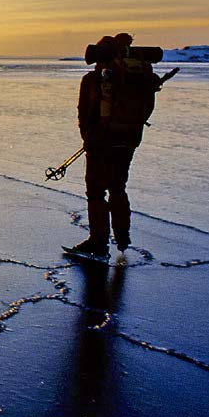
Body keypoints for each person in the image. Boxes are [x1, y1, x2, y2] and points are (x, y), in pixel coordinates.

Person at [67, 33, 162, 259]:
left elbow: (85, 113)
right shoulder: (140, 77)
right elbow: (147, 108)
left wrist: (89, 138)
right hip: (129, 139)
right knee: (118, 188)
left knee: (96, 192)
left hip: (101, 141)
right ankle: (122, 238)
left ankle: (98, 242)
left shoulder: (93, 80)